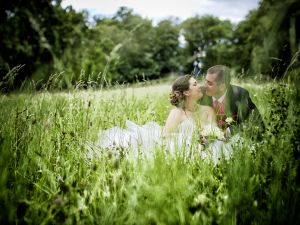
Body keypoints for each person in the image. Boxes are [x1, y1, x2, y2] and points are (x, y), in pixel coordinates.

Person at [200, 65, 264, 134]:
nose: (205, 86)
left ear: (222, 87)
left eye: (209, 83)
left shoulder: (240, 94)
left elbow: (256, 121)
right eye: (205, 81)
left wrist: (230, 131)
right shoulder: (200, 94)